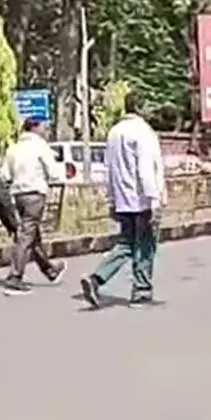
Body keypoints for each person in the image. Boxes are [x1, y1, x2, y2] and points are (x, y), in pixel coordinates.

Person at [81, 92, 163, 307]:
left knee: (126, 243)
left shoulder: (114, 132)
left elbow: (109, 169)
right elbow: (146, 168)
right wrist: (154, 199)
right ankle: (141, 290)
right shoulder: (143, 132)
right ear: (140, 107)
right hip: (141, 199)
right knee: (145, 245)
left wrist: (111, 199)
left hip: (122, 199)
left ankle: (96, 278)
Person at [0, 117, 67, 293]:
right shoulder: (40, 146)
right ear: (35, 127)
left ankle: (49, 269)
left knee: (31, 234)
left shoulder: (13, 148)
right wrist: (58, 178)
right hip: (35, 193)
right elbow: (53, 171)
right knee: (26, 235)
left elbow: (5, 174)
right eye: (44, 126)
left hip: (18, 194)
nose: (46, 130)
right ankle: (15, 276)